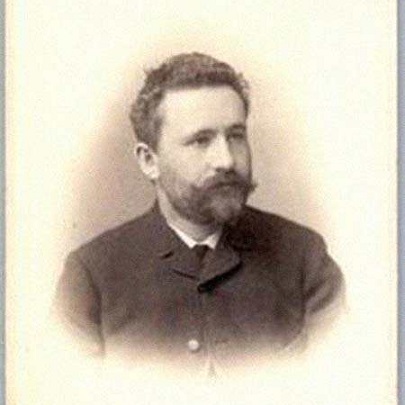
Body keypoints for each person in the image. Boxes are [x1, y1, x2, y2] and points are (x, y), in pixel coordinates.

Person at [55, 52, 344, 375]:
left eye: (236, 136)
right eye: (200, 141)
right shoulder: (90, 277)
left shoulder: (304, 257)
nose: (227, 160)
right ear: (149, 161)